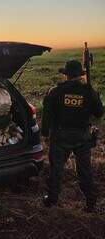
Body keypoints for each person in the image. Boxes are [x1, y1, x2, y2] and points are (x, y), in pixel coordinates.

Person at [41, 60, 104, 212]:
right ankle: (91, 203)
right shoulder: (89, 91)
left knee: (56, 169)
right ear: (80, 75)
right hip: (82, 137)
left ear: (66, 75)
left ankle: (52, 200)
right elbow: (99, 113)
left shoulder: (55, 91)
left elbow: (46, 115)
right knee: (85, 171)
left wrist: (44, 133)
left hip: (60, 136)